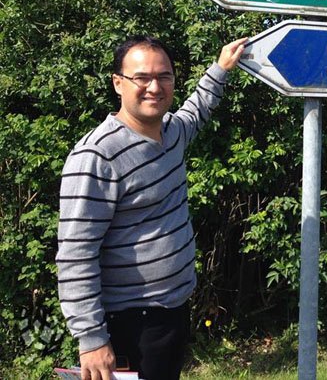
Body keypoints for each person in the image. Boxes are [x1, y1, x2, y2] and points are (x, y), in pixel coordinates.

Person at [56, 35, 248, 380]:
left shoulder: (171, 132)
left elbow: (197, 110)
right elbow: (75, 255)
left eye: (164, 77)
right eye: (141, 78)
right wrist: (92, 339)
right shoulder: (96, 156)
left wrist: (221, 68)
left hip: (172, 311)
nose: (154, 87)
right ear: (118, 83)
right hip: (127, 323)